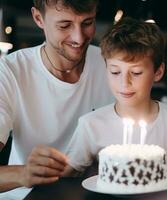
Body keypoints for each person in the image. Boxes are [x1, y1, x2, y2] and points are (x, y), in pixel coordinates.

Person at [63, 17, 167, 182]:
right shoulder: (91, 124)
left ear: (158, 72)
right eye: (115, 72)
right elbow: (65, 178)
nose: (124, 83)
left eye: (136, 73)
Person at [0, 0, 114, 192]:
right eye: (65, 25)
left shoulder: (113, 66)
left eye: (87, 23)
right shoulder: (10, 71)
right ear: (39, 18)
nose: (78, 38)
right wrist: (24, 173)